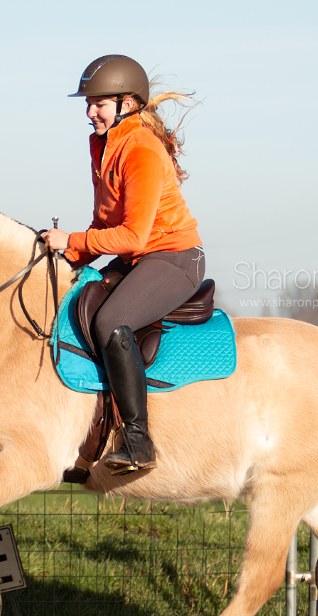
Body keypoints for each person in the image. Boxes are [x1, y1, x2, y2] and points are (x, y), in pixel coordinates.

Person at [44, 54, 204, 475]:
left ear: (126, 104)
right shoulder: (103, 146)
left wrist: (72, 240)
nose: (90, 112)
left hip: (175, 258)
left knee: (111, 320)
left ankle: (138, 440)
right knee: (76, 298)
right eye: (88, 103)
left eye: (98, 103)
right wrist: (65, 257)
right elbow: (104, 224)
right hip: (140, 256)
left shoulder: (141, 149)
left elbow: (132, 236)